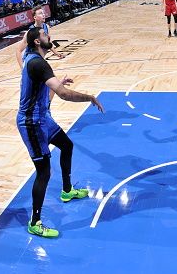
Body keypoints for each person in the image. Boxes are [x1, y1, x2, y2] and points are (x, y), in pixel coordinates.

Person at [17, 28, 104, 238]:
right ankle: (35, 222)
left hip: (42, 118)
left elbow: (43, 90)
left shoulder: (31, 57)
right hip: (32, 123)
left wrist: (57, 85)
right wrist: (89, 97)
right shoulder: (38, 62)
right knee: (44, 172)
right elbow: (64, 95)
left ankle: (66, 190)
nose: (49, 38)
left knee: (67, 145)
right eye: (46, 36)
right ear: (38, 41)